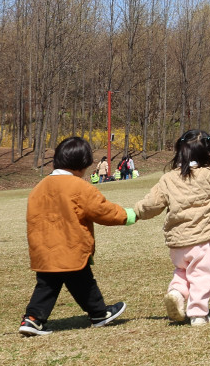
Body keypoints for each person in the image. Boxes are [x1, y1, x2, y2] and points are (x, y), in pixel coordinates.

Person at [133, 130, 210, 326]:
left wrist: (135, 213)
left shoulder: (168, 179)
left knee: (182, 272)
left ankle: (176, 293)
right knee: (202, 275)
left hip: (177, 244)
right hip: (201, 242)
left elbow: (151, 204)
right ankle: (198, 313)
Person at [19, 136, 134, 337]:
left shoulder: (38, 188)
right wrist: (128, 215)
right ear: (82, 164)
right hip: (71, 248)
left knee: (47, 285)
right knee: (83, 282)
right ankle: (99, 314)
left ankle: (33, 319)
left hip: (43, 250)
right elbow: (102, 210)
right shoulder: (78, 186)